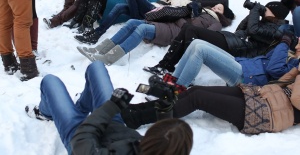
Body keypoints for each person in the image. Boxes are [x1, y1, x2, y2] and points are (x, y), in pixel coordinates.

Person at [25, 61, 193, 154]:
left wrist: (110, 107)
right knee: (96, 67)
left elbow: (81, 143)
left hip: (81, 135)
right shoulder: (161, 149)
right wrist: (164, 110)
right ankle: (82, 106)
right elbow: (165, 137)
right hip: (113, 125)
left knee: (50, 81)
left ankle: (46, 112)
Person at [121, 61, 300, 134]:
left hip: (267, 114)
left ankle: (137, 118)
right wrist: (296, 70)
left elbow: (297, 100)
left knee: (198, 98)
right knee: (196, 90)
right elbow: (278, 84)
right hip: (261, 96)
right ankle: (140, 109)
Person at [147, 0, 290, 76]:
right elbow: (240, 31)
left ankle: (182, 72)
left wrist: (255, 12)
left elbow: (253, 30)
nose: (264, 10)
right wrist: (251, 13)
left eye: (267, 9)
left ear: (275, 14)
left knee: (191, 30)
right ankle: (165, 65)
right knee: (187, 29)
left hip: (238, 51)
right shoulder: (265, 24)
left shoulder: (278, 30)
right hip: (233, 42)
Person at [77, 2, 234, 66]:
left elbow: (200, 34)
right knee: (132, 22)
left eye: (219, 9)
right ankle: (100, 49)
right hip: (168, 25)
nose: (215, 8)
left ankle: (109, 58)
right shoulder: (200, 11)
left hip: (175, 33)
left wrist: (191, 17)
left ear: (223, 15)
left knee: (141, 29)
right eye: (215, 6)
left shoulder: (216, 24)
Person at [74, 0, 212, 44]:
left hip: (161, 14)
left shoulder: (191, 2)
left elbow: (176, 10)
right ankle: (97, 34)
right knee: (119, 7)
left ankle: (134, 20)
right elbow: (160, 0)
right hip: (155, 9)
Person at [159, 31, 300, 90]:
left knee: (201, 51)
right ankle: (172, 82)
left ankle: (176, 93)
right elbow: (271, 58)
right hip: (243, 66)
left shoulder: (296, 66)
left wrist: (285, 43)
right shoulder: (291, 56)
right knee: (197, 43)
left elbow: (274, 69)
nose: (298, 43)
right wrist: (285, 46)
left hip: (246, 78)